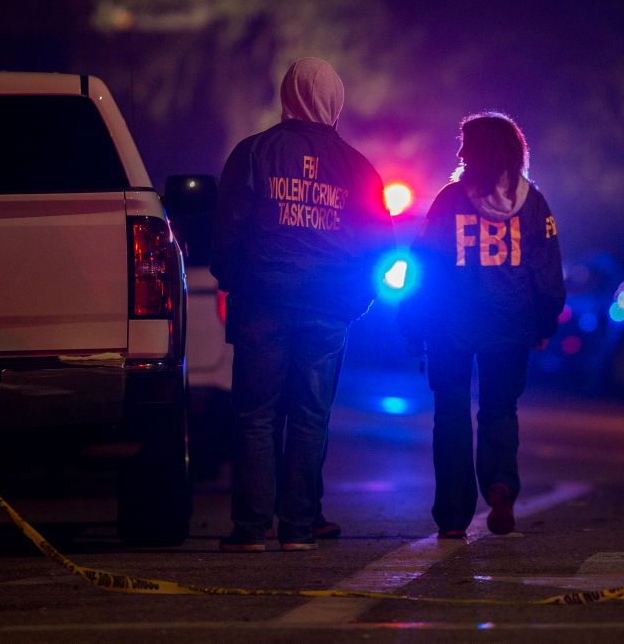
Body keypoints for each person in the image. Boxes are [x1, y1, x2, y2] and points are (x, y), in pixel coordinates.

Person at [211, 57, 394, 552]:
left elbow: (226, 230)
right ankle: (297, 529)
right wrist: (358, 299)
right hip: (328, 306)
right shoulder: (357, 166)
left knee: (256, 414)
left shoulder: (253, 153)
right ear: (336, 101)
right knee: (311, 415)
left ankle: (250, 530)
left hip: (264, 300)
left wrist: (237, 282)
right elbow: (382, 244)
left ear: (287, 95)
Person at [398, 111, 565, 539]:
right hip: (510, 323)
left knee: (450, 411)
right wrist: (544, 321)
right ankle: (501, 484)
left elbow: (423, 264)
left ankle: (453, 514)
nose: (458, 152)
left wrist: (413, 321)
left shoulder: (449, 200)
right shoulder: (534, 204)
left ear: (480, 152)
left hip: (450, 324)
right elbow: (547, 272)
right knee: (499, 409)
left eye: (465, 144)